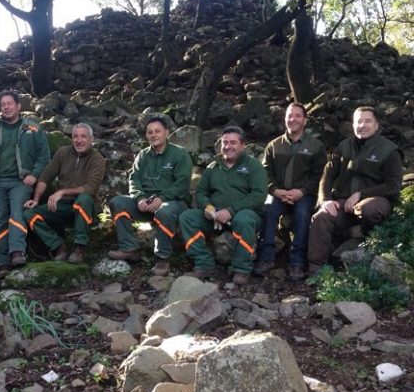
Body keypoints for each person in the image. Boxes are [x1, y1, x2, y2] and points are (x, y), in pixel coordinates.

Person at [307, 106, 403, 273]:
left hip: (377, 200)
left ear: (376, 125)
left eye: (368, 121)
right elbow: (327, 176)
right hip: (344, 202)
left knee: (367, 209)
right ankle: (316, 270)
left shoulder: (389, 150)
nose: (362, 125)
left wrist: (361, 195)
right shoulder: (343, 146)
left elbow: (393, 186)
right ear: (353, 125)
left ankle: (363, 237)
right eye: (359, 121)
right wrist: (325, 201)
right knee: (321, 217)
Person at [179, 126, 267, 285]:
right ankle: (205, 264)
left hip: (244, 214)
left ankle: (242, 269)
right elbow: (201, 193)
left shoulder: (254, 166)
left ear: (242, 146)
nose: (228, 146)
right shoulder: (213, 167)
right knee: (187, 217)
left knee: (244, 219)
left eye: (233, 142)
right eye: (224, 142)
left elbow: (259, 195)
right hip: (215, 216)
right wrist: (208, 208)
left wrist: (231, 211)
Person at [0, 90, 50, 276]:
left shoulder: (33, 129)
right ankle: (2, 262)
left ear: (18, 106)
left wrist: (34, 174)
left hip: (21, 181)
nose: (6, 107)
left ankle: (17, 251)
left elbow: (43, 155)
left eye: (10, 103)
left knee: (17, 212)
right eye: (3, 105)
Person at [108, 116, 192, 276]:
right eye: (150, 132)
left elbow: (182, 184)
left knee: (164, 211)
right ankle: (129, 248)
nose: (153, 135)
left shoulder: (180, 154)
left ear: (166, 133)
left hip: (174, 203)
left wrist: (162, 199)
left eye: (157, 131)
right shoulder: (142, 155)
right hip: (146, 203)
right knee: (117, 202)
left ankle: (162, 259)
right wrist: (139, 198)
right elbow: (134, 179)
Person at [256, 103, 326, 281]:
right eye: (289, 116)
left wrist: (302, 192)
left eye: (297, 116)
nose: (292, 119)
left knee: (303, 214)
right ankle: (266, 258)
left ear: (305, 120)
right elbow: (265, 173)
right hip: (277, 194)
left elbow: (319, 175)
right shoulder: (273, 145)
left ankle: (297, 262)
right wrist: (275, 191)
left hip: (304, 195)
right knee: (267, 210)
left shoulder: (316, 146)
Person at [23, 123, 106, 263]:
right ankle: (58, 246)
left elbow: (90, 187)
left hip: (85, 206)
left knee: (84, 199)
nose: (79, 140)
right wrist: (36, 199)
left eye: (83, 136)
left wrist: (61, 192)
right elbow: (45, 176)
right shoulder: (62, 152)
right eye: (75, 136)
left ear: (91, 139)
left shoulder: (97, 159)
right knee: (29, 214)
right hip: (63, 206)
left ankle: (79, 248)